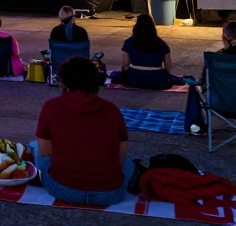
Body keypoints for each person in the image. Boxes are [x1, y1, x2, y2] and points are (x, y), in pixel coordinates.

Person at [31, 56, 132, 205]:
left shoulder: (51, 106)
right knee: (129, 164)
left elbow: (46, 152)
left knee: (35, 147)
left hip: (63, 189)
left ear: (63, 81)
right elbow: (121, 155)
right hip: (109, 193)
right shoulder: (112, 109)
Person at [184, 21, 236, 134]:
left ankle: (202, 124)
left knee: (195, 86)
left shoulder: (215, 59)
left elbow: (204, 84)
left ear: (223, 37)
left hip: (221, 107)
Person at [114, 14, 175, 90]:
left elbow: (126, 64)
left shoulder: (128, 42)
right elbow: (168, 67)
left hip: (135, 79)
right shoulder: (162, 44)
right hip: (157, 80)